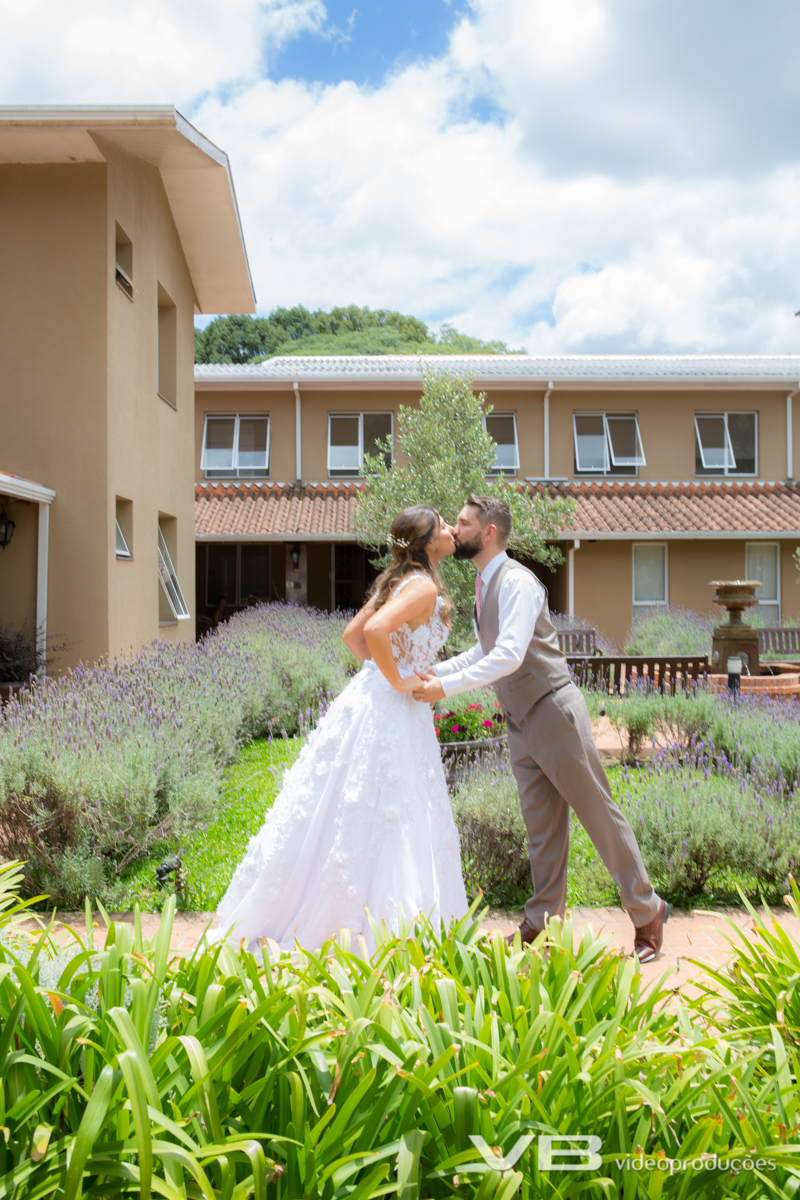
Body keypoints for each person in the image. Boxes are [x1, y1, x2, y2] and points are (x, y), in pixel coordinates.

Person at [412, 495, 670, 963]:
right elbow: (484, 650)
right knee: (541, 830)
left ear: (488, 533)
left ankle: (647, 911)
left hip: (553, 712)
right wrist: (437, 673)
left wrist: (444, 689)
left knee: (599, 816)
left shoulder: (518, 583)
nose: (455, 529)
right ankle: (542, 923)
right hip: (521, 721)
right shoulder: (484, 584)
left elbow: (509, 655)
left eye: (463, 523)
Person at [211, 505, 468, 953]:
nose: (450, 530)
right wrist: (401, 680)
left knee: (348, 807)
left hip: (369, 702)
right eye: (443, 525)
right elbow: (375, 629)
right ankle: (386, 933)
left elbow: (352, 636)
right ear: (428, 543)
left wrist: (389, 676)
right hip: (393, 707)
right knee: (391, 811)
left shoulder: (396, 581)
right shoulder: (422, 585)